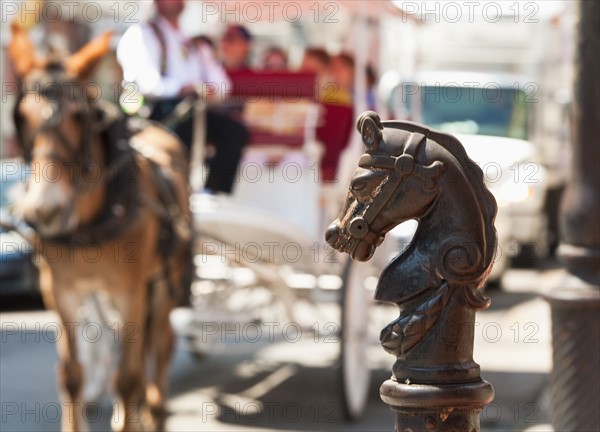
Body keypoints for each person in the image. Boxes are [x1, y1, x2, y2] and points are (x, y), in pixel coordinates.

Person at [117, 0, 248, 194]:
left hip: (195, 110)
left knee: (235, 133)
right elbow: (145, 82)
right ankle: (175, 194)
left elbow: (222, 84)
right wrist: (182, 88)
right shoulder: (142, 34)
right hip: (160, 112)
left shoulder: (194, 43)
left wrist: (211, 89)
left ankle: (212, 192)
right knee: (184, 132)